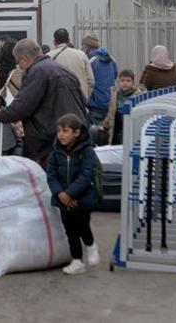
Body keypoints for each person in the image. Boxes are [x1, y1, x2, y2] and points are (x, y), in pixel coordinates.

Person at [0, 39, 87, 165]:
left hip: (52, 140)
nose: (18, 67)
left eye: (18, 62)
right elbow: (83, 100)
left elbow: (22, 106)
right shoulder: (65, 70)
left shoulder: (37, 71)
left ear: (25, 58)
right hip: (76, 134)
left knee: (52, 174)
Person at [46, 113, 101, 275]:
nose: (60, 135)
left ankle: (91, 245)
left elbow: (87, 174)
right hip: (62, 199)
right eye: (58, 131)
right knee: (70, 229)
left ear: (76, 133)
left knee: (82, 225)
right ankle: (77, 260)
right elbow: (51, 175)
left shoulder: (87, 151)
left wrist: (70, 193)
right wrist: (60, 193)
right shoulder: (55, 152)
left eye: (65, 131)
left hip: (82, 197)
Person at [48, 28, 95, 101]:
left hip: (57, 102)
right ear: (69, 40)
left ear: (54, 42)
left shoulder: (48, 57)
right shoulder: (82, 55)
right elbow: (91, 81)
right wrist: (85, 97)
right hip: (79, 100)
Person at [81, 34, 118, 125]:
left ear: (87, 46)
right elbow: (115, 76)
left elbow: (85, 81)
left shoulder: (89, 60)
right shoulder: (111, 59)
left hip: (94, 104)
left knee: (93, 131)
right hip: (109, 102)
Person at [102, 69, 145, 145]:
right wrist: (105, 125)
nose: (125, 83)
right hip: (117, 126)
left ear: (133, 82)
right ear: (119, 82)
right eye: (122, 81)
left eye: (128, 81)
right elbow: (111, 111)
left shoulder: (138, 95)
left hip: (129, 126)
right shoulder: (115, 94)